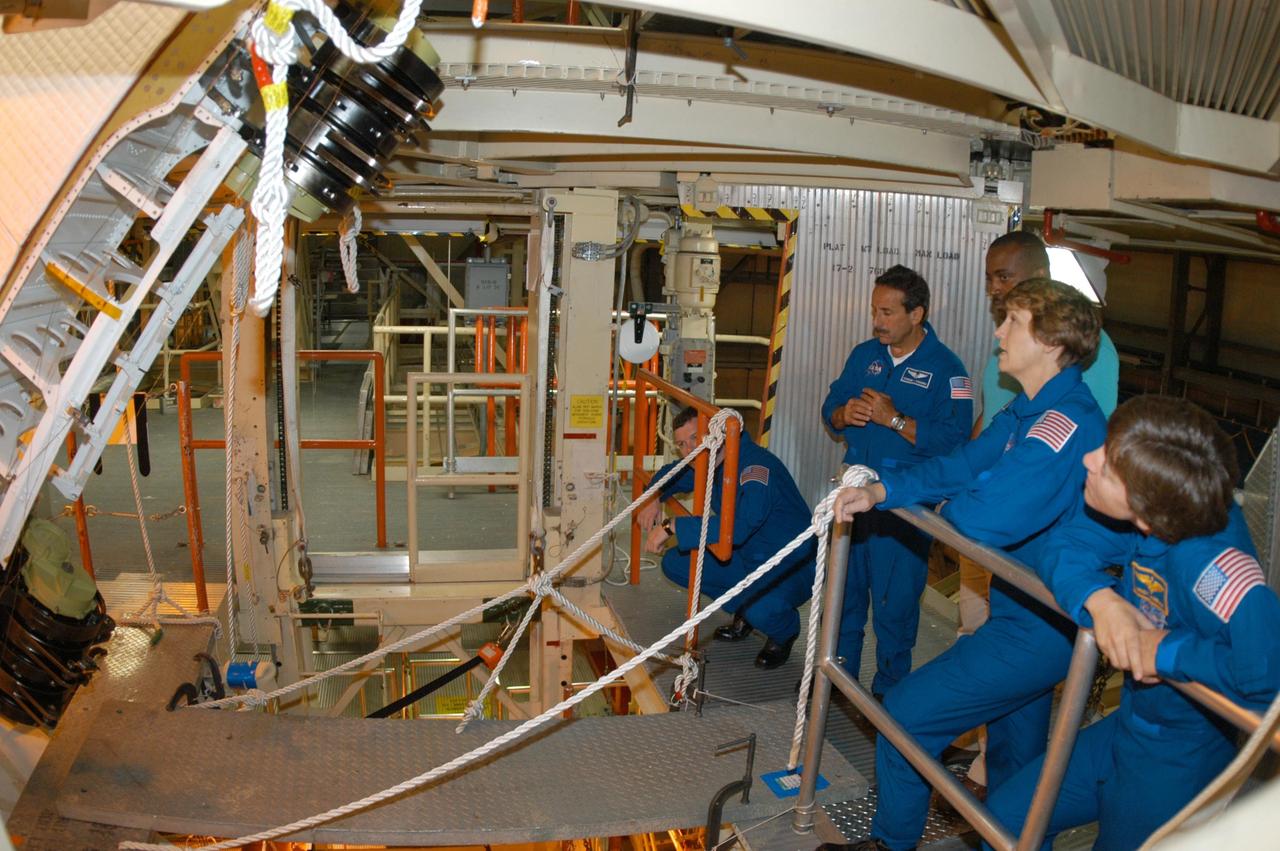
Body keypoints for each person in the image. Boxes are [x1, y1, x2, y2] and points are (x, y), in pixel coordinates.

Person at [823, 279, 1107, 851]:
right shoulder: (1025, 411)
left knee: (904, 715)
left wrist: (951, 502)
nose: (997, 333)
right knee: (1014, 768)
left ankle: (891, 843)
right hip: (1019, 607)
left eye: (1013, 323)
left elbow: (987, 518)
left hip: (1044, 626)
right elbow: (959, 464)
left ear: (1051, 344)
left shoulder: (1065, 423)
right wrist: (884, 490)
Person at [985, 396, 1280, 850]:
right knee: (1007, 819)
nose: (1089, 458)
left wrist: (1167, 650)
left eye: (1106, 465)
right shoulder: (1153, 515)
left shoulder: (1214, 568)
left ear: (1143, 511)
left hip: (1180, 758)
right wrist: (1101, 599)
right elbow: (1060, 546)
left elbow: (1267, 676)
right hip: (1129, 725)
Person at [820, 265, 972, 697]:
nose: (877, 321)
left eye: (887, 312)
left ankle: (888, 693)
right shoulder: (864, 355)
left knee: (895, 607)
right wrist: (841, 414)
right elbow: (832, 403)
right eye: (875, 311)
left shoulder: (948, 371)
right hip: (853, 498)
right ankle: (836, 677)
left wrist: (896, 420)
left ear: (916, 313)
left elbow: (956, 439)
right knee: (843, 598)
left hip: (903, 508)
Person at [638, 406, 816, 669]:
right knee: (677, 564)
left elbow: (740, 526)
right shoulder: (713, 460)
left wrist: (671, 525)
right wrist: (654, 495)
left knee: (761, 608)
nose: (689, 449)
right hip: (746, 556)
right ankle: (744, 609)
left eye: (695, 439)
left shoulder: (756, 468)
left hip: (789, 566)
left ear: (717, 434)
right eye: (682, 445)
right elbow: (673, 473)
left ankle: (784, 632)